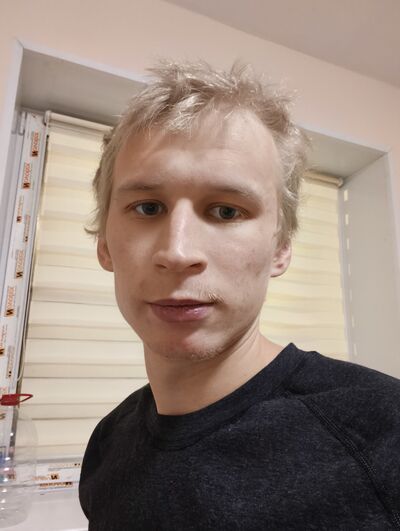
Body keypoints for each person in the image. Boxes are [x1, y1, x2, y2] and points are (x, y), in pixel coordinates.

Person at [78, 60, 400, 530]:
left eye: (226, 211)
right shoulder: (107, 443)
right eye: (147, 207)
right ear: (105, 244)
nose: (178, 252)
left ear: (280, 248)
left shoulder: (385, 433)